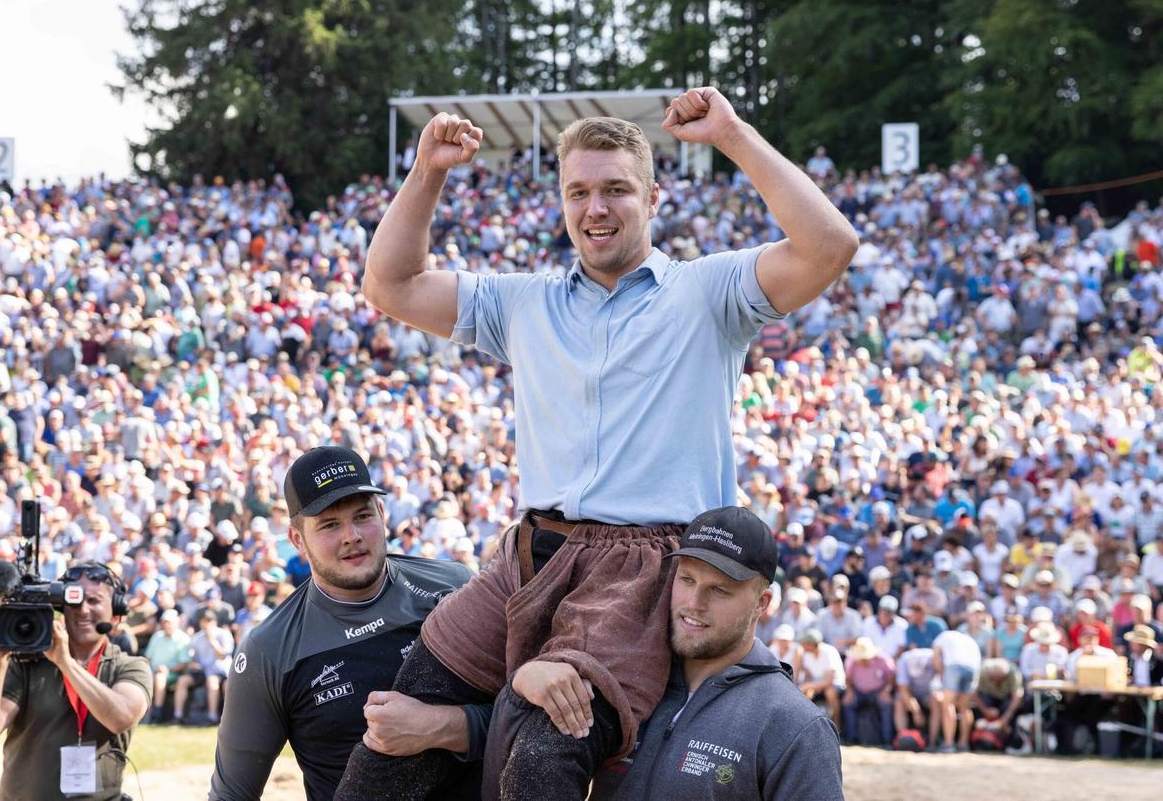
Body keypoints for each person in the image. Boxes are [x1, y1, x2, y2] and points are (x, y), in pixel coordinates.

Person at [339, 86, 856, 800]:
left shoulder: (706, 292)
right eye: (578, 191)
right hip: (530, 554)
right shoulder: (526, 302)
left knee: (550, 747)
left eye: (616, 189)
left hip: (643, 566)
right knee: (397, 724)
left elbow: (830, 245)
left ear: (652, 196)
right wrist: (428, 171)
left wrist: (733, 135)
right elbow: (389, 283)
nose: (596, 208)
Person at [209, 446, 480, 801]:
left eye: (362, 516)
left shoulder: (454, 587)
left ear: (382, 514)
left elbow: (528, 716)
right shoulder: (269, 650)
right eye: (329, 524)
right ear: (297, 541)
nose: (351, 535)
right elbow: (231, 795)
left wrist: (439, 727)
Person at [588, 506, 843, 799]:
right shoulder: (626, 678)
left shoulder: (794, 725)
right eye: (687, 580)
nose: (694, 603)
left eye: (719, 589)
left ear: (762, 603)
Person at [0, 562, 152, 801]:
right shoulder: (27, 664)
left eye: (94, 601)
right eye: (75, 601)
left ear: (115, 614)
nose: (83, 610)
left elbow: (120, 718)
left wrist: (66, 663)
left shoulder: (130, 666)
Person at [931, 629, 982, 753]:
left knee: (948, 704)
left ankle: (948, 743)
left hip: (954, 666)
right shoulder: (970, 640)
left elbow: (935, 658)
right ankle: (963, 744)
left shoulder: (943, 636)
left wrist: (942, 675)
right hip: (973, 668)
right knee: (965, 708)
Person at [841, 637, 895, 745]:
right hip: (858, 691)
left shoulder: (883, 659)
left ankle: (887, 740)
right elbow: (848, 679)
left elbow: (891, 677)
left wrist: (886, 690)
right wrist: (849, 691)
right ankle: (851, 738)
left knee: (886, 704)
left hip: (878, 691)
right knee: (848, 704)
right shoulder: (851, 661)